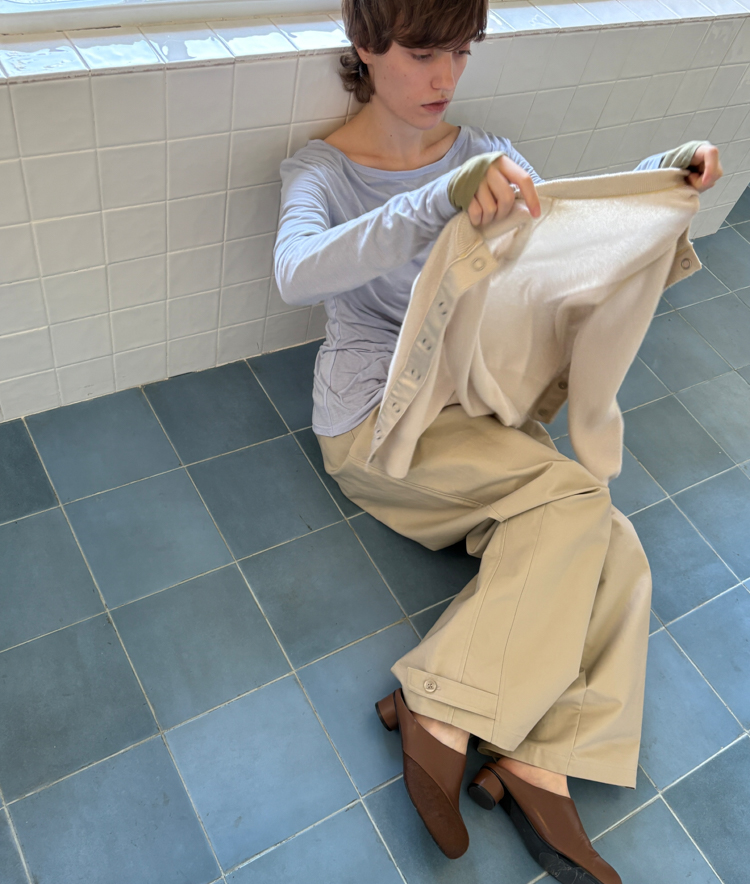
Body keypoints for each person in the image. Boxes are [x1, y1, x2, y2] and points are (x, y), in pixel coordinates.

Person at [273, 1, 723, 880]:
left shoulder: (485, 149)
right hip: (376, 422)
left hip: (473, 410)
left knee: (616, 546)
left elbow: (562, 241)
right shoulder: (322, 170)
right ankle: (443, 707)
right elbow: (296, 272)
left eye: (462, 52)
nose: (445, 77)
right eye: (422, 54)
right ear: (366, 46)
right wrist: (431, 200)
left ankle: (538, 757)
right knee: (580, 502)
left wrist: (658, 179)